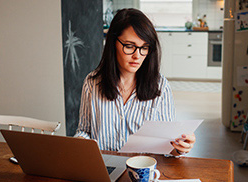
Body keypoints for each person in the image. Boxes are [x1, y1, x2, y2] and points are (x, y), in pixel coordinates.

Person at [74, 8, 195, 156]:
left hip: (143, 172)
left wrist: (179, 147)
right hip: (104, 169)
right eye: (130, 46)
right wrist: (81, 140)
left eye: (144, 47)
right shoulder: (92, 83)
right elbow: (84, 130)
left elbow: (168, 146)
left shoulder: (160, 86)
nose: (137, 55)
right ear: (113, 43)